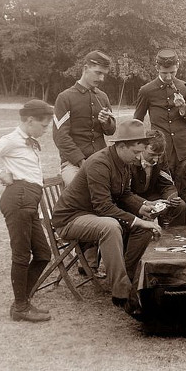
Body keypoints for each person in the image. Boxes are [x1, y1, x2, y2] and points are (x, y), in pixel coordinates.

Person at [51, 119, 161, 310]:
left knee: (142, 227)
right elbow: (103, 207)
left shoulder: (123, 161)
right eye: (135, 152)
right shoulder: (99, 163)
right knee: (110, 226)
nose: (138, 158)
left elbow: (124, 194)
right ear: (121, 146)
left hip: (93, 216)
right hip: (71, 219)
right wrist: (137, 221)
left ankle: (130, 278)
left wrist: (142, 206)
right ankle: (122, 293)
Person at [0, 100, 54, 322]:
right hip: (18, 199)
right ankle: (21, 306)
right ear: (30, 120)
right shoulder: (11, 140)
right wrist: (0, 174)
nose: (46, 130)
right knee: (22, 255)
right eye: (44, 126)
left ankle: (22, 302)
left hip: (29, 200)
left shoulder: (29, 141)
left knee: (44, 254)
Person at [53, 50, 116, 276]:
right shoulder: (65, 97)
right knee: (86, 199)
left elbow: (110, 130)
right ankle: (87, 261)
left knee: (110, 198)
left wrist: (107, 122)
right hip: (73, 164)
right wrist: (83, 161)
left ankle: (102, 259)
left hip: (99, 162)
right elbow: (61, 137)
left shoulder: (102, 96)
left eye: (104, 74)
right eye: (97, 73)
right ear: (85, 68)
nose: (101, 78)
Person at [133, 49, 186, 179]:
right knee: (164, 187)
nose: (169, 77)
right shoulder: (146, 91)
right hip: (160, 152)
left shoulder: (185, 88)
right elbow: (137, 122)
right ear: (157, 68)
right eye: (164, 73)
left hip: (184, 151)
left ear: (178, 66)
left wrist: (183, 107)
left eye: (172, 72)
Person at [130, 129, 186, 227]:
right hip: (133, 197)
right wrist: (144, 203)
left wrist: (171, 198)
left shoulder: (161, 158)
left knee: (179, 205)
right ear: (142, 148)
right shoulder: (131, 160)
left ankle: (173, 236)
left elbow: (167, 183)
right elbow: (126, 193)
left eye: (159, 155)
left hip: (153, 195)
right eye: (152, 154)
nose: (156, 159)